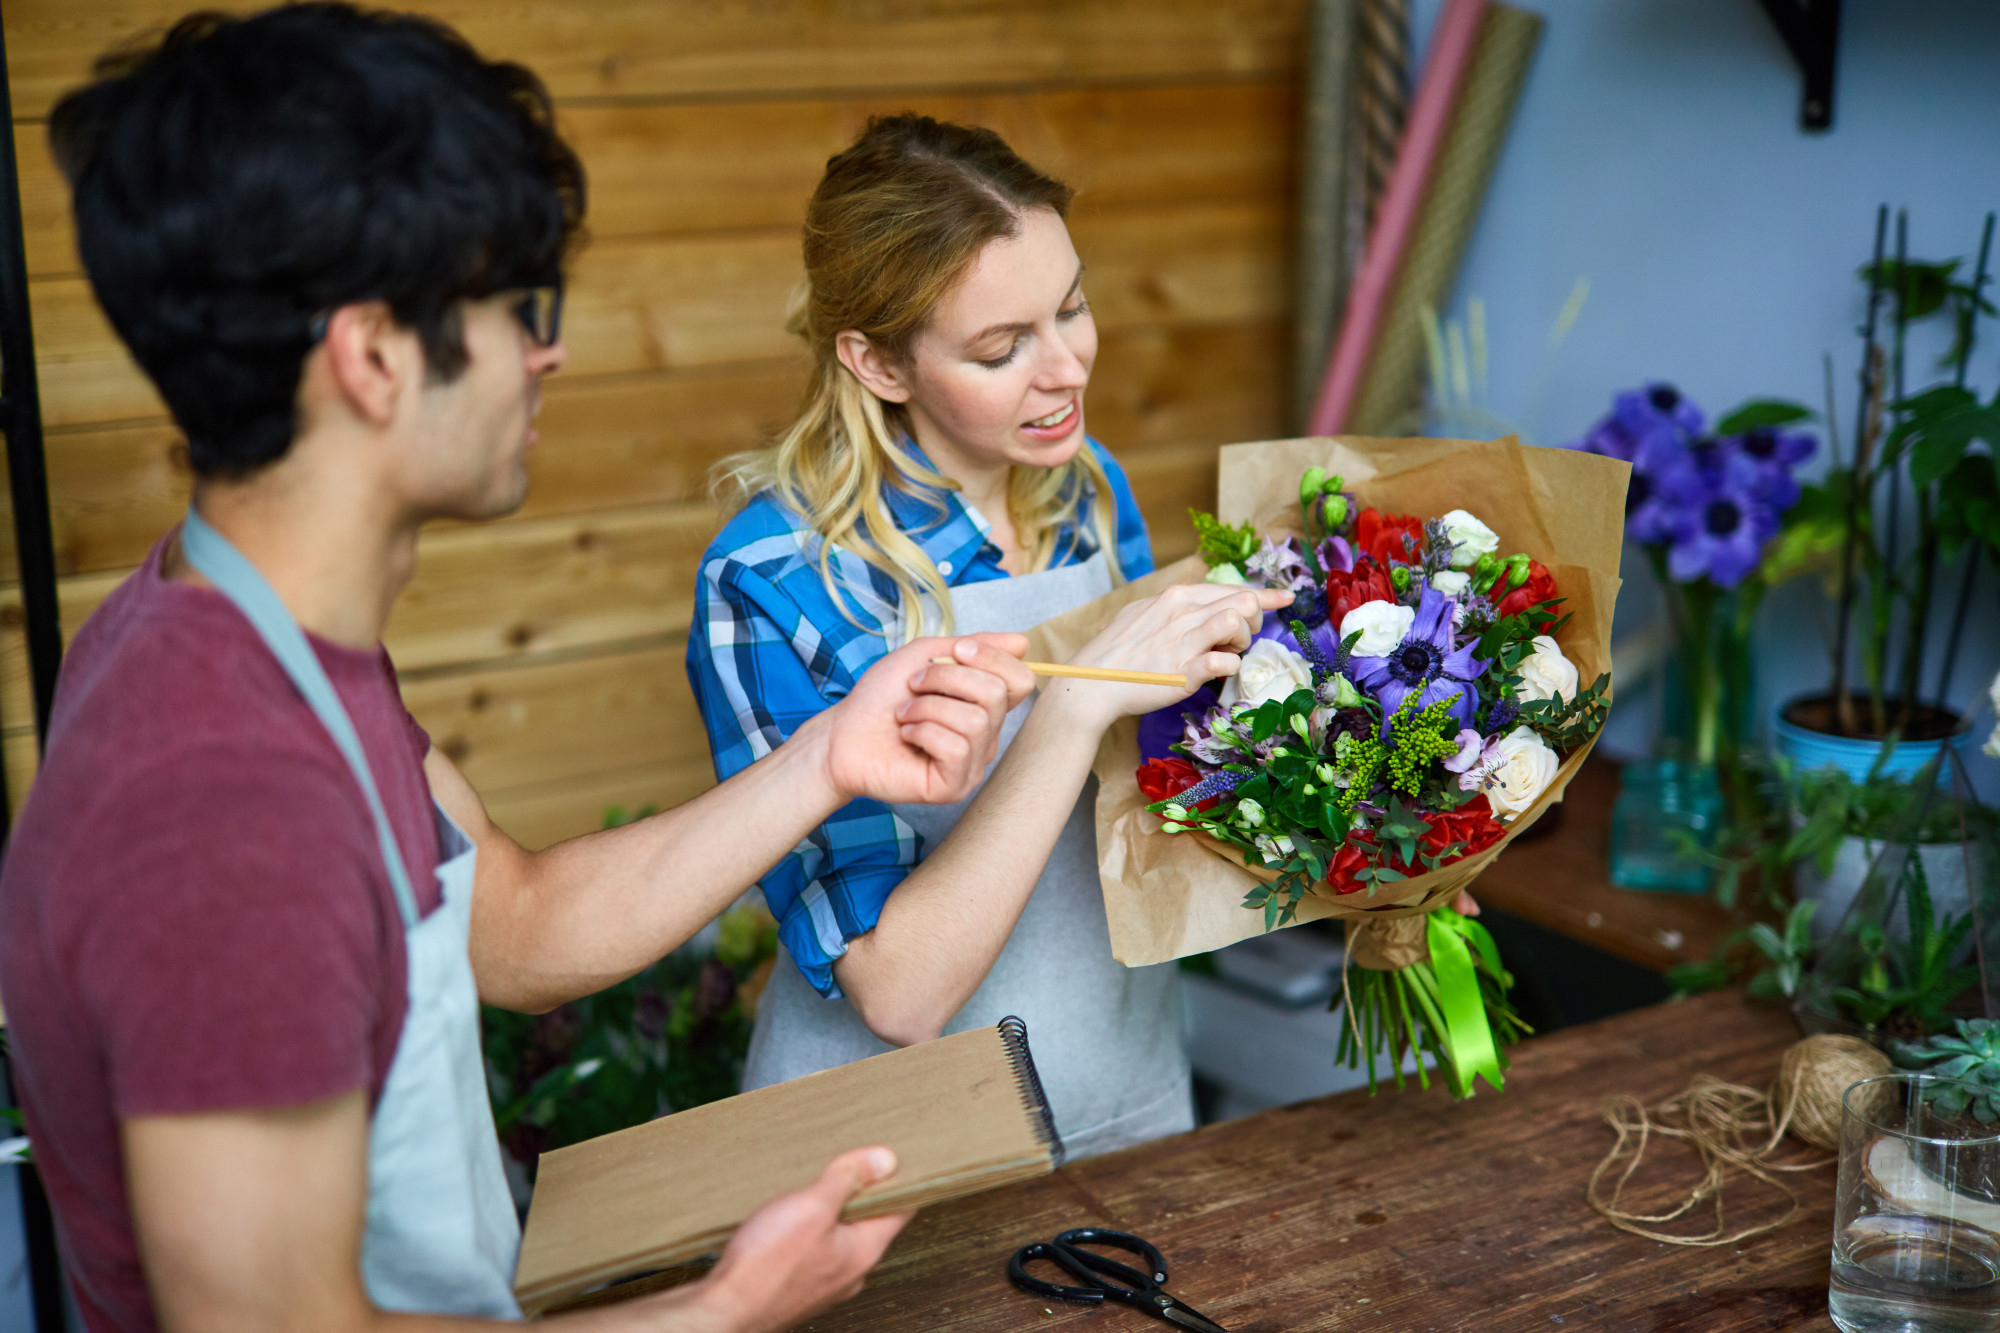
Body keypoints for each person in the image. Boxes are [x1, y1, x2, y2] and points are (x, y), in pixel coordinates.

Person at [0, 10, 1037, 1331]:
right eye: (520, 308)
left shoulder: (248, 634)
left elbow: (516, 922)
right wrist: (721, 1313)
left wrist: (830, 757)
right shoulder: (219, 800)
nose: (549, 352)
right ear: (374, 355)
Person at [688, 116, 1290, 1159]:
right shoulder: (771, 580)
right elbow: (896, 990)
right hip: (886, 1148)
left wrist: (1357, 806)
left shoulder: (1085, 486)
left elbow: (1147, 797)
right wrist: (1073, 707)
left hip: (1120, 1083)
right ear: (876, 362)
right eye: (1002, 348)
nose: (1064, 370)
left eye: (1071, 307)